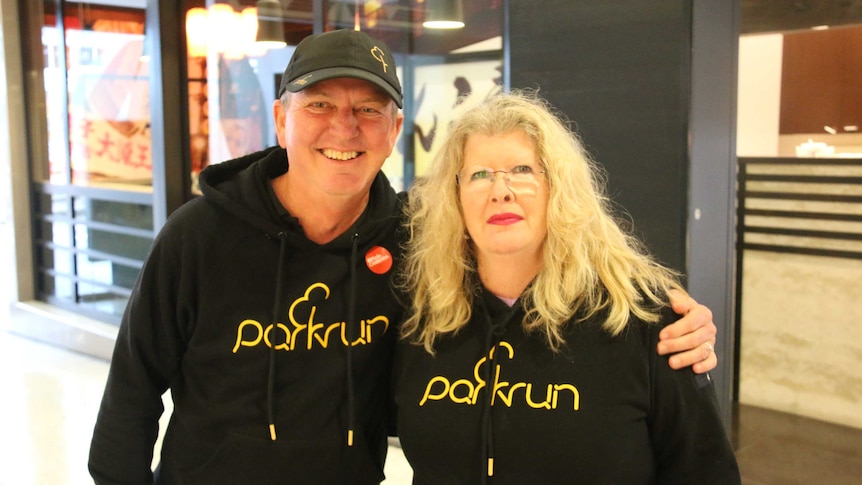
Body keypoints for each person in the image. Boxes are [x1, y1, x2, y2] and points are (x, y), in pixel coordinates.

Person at [88, 30, 718, 484]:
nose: (345, 127)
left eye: (368, 111)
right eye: (319, 106)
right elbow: (131, 395)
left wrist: (669, 313)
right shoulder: (197, 237)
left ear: (393, 132)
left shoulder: (416, 242)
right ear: (281, 119)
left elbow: (535, 253)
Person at [393, 90, 740, 483]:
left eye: (522, 170)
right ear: (452, 197)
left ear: (559, 187)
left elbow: (707, 473)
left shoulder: (645, 321)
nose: (500, 190)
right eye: (479, 174)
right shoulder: (423, 315)